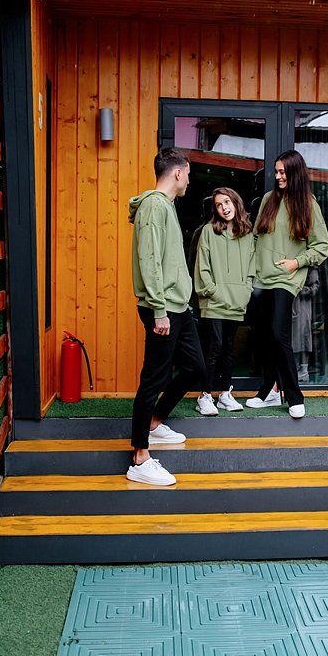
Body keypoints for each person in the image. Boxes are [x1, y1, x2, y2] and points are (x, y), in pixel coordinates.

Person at [127, 148, 205, 486]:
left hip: (178, 306)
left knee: (195, 368)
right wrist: (159, 311)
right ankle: (140, 457)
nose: (189, 180)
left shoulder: (167, 206)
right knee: (154, 378)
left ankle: (155, 422)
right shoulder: (154, 206)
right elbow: (149, 261)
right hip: (163, 308)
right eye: (188, 174)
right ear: (178, 171)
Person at [246, 149, 328, 418]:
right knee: (263, 336)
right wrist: (251, 272)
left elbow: (322, 246)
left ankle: (294, 395)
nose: (278, 176)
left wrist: (297, 262)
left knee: (277, 333)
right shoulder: (268, 200)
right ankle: (270, 391)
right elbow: (256, 238)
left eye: (283, 172)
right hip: (261, 279)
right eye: (276, 172)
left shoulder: (308, 204)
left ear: (295, 173)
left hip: (286, 278)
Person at [194, 187, 255, 415]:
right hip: (214, 302)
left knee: (229, 348)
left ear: (236, 202)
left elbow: (251, 267)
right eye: (219, 205)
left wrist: (245, 292)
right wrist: (214, 291)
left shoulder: (248, 234)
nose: (224, 208)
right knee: (214, 347)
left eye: (227, 202)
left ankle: (225, 395)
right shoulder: (208, 231)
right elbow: (202, 267)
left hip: (237, 302)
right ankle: (205, 395)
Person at [292, 265, 320, 383]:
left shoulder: (310, 264)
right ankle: (294, 369)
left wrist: (303, 290)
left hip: (302, 304)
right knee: (292, 338)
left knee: (302, 337)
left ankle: (303, 371)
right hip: (290, 302)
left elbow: (315, 286)